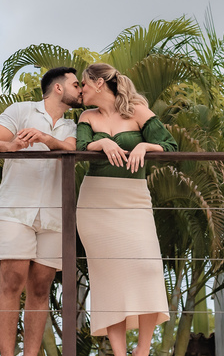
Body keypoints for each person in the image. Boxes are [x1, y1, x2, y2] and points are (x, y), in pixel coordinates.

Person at [0, 66, 83, 356]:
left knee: (41, 288)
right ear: (59, 88)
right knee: (12, 280)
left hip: (54, 214)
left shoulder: (74, 126)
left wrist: (46, 139)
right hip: (15, 209)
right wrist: (10, 146)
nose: (81, 90)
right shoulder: (21, 110)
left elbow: (68, 149)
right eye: (77, 85)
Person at [75, 62, 177, 356]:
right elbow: (81, 146)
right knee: (109, 277)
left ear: (97, 84)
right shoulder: (87, 116)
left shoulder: (138, 112)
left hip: (133, 200)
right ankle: (120, 353)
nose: (80, 90)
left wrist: (145, 147)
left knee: (147, 269)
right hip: (96, 203)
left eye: (83, 83)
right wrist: (103, 143)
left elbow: (169, 146)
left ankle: (142, 350)